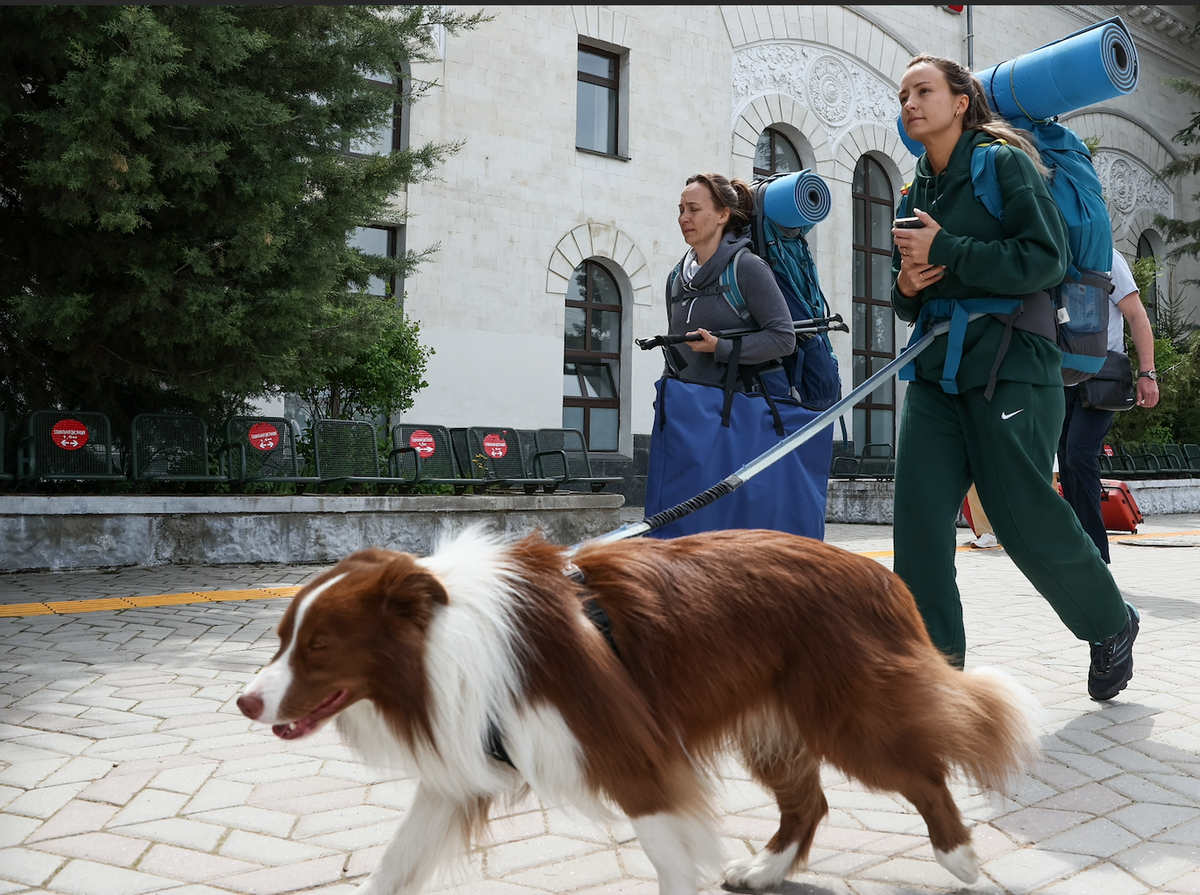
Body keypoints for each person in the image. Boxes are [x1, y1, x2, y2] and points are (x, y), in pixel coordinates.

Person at [889, 53, 1139, 700]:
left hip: (1013, 368)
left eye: (924, 90)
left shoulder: (1004, 163)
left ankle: (1111, 623)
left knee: (1020, 514)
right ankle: (935, 682)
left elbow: (1045, 258)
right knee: (917, 527)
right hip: (937, 375)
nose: (910, 102)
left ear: (961, 102)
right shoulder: (916, 189)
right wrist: (907, 285)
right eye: (903, 94)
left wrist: (944, 251)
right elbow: (911, 298)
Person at [1059, 249, 1159, 562]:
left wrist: (1148, 373)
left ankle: (1096, 554)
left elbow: (1136, 315)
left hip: (1103, 376)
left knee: (1079, 454)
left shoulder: (1109, 258)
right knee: (1066, 460)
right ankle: (1077, 545)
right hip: (1062, 378)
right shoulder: (1055, 252)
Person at [667, 174, 795, 386]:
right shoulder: (676, 278)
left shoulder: (747, 268)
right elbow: (673, 351)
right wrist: (666, 398)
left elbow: (783, 339)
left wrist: (720, 347)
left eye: (694, 209)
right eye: (681, 210)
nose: (684, 218)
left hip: (738, 412)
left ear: (723, 215)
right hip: (688, 409)